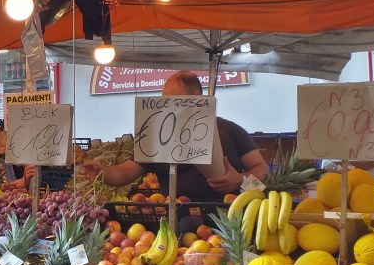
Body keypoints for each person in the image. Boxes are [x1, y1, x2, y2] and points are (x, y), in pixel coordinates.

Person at [82, 70, 269, 201]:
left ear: (196, 98)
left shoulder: (230, 130)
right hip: (172, 224)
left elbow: (263, 170)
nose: (168, 108)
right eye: (165, 102)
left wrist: (240, 180)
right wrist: (103, 172)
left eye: (174, 102)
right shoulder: (155, 136)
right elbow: (126, 172)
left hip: (228, 221)